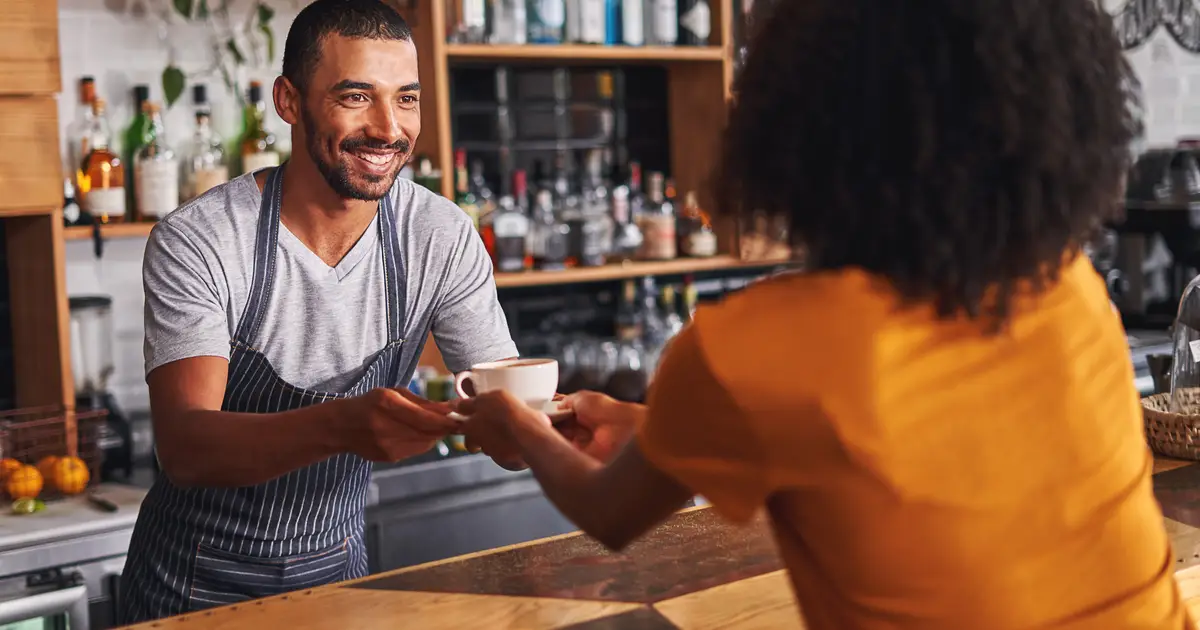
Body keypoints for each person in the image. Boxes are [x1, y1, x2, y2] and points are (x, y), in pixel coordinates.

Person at [457, 0, 1193, 628]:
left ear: (798, 121)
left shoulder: (751, 346)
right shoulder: (1064, 284)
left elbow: (608, 510)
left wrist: (514, 422)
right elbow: (901, 445)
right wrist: (659, 433)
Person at [119, 0, 517, 623]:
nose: (389, 128)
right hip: (192, 587)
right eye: (356, 96)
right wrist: (342, 425)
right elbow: (186, 447)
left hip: (338, 575)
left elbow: (507, 414)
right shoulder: (201, 238)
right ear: (288, 101)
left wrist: (539, 427)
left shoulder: (439, 235)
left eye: (407, 98)